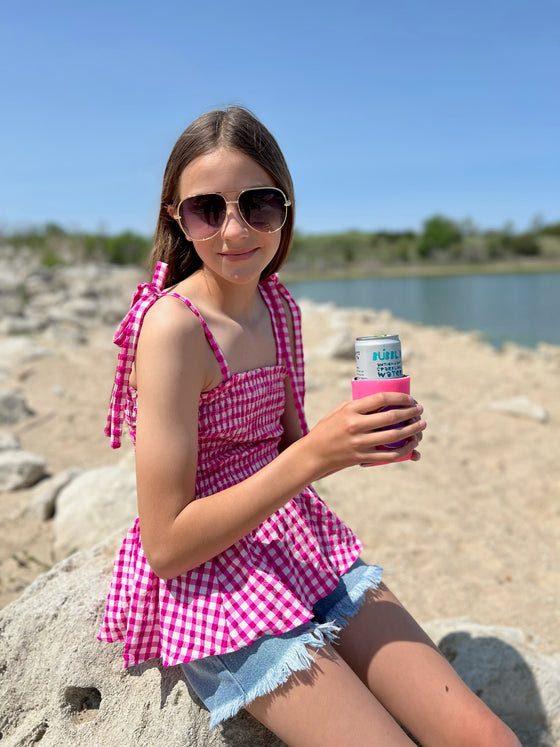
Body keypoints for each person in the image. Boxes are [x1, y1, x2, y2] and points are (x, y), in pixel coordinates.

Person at [99, 106, 520, 747]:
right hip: (213, 589)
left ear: (285, 207)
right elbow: (167, 545)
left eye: (258, 205)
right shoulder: (173, 328)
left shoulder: (279, 306)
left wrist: (358, 440)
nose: (235, 230)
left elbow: (290, 448)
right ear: (176, 218)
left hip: (299, 548)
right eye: (207, 209)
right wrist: (316, 456)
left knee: (486, 738)